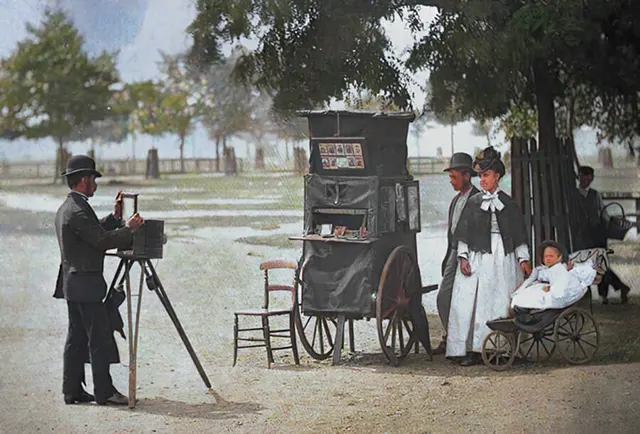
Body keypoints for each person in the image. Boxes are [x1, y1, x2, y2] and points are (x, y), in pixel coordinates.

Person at [54, 155, 144, 405]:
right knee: (99, 338)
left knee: (76, 338)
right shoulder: (77, 209)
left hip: (75, 284)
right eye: (93, 179)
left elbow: (92, 231)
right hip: (85, 285)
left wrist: (115, 218)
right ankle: (104, 391)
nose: (95, 184)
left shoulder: (71, 206)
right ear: (84, 180)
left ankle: (72, 390)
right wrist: (129, 229)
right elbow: (102, 241)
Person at [446, 146, 532, 366]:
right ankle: (471, 349)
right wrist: (463, 257)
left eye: (487, 175)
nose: (482, 180)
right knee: (469, 300)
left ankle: (501, 348)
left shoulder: (509, 204)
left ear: (498, 177)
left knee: (500, 299)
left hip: (502, 257)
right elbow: (463, 233)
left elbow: (519, 235)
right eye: (481, 176)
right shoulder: (474, 203)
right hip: (478, 255)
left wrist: (523, 259)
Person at [433, 153, 480, 355]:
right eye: (450, 177)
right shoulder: (456, 200)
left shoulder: (478, 199)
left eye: (454, 177)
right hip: (453, 252)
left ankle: (465, 345)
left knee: (464, 300)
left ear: (467, 175)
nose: (451, 181)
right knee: (444, 297)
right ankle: (449, 337)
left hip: (469, 254)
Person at [576, 166, 630, 304]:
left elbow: (603, 214)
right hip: (582, 236)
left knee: (600, 265)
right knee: (588, 265)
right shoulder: (574, 194)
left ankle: (604, 294)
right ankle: (620, 287)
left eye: (588, 177)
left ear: (591, 179)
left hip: (597, 234)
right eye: (583, 176)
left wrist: (607, 227)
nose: (585, 180)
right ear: (579, 177)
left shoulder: (595, 195)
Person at [510, 240, 596, 311]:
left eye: (551, 256)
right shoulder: (548, 269)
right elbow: (536, 277)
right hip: (555, 291)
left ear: (559, 257)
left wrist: (550, 288)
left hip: (561, 296)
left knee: (531, 297)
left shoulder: (560, 270)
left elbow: (561, 288)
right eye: (545, 257)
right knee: (526, 294)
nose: (548, 259)